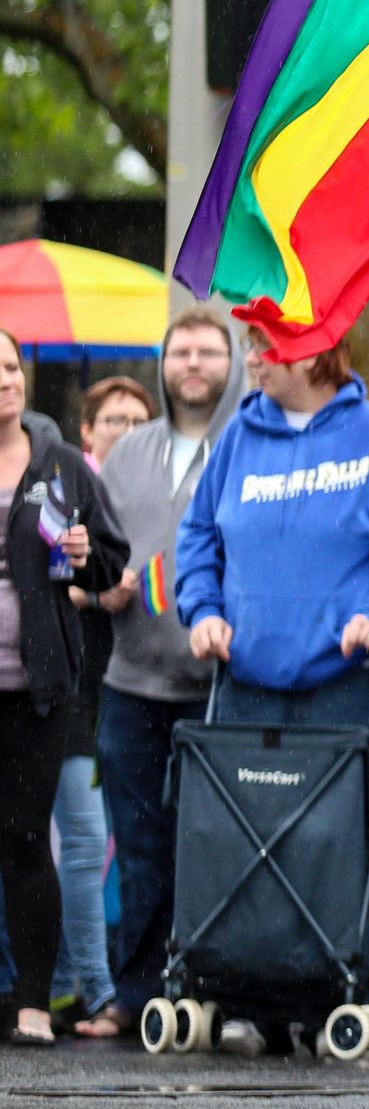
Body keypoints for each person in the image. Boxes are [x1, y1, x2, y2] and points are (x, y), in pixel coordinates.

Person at [173, 326, 369, 1024]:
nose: (251, 357)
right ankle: (242, 995)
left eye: (265, 344)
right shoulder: (237, 436)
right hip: (247, 679)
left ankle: (340, 993)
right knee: (241, 841)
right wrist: (200, 608)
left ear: (316, 351)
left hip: (345, 682)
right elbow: (197, 537)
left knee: (338, 841)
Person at [93, 307, 243, 1032]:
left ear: (231, 360)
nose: (191, 362)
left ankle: (215, 990)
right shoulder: (127, 452)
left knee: (213, 846)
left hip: (220, 684)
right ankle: (138, 994)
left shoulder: (250, 443)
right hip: (131, 681)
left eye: (207, 350)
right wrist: (99, 583)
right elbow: (95, 552)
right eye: (180, 350)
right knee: (141, 847)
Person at [0, 326, 125, 1045]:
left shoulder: (61, 466)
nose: (5, 380)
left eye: (11, 366)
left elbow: (110, 561)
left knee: (23, 840)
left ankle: (31, 1005)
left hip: (39, 687)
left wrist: (83, 554)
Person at [46, 374, 154, 1032]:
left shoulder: (150, 490)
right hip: (68, 689)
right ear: (88, 431)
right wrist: (95, 592)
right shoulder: (63, 484)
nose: (127, 433)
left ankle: (60, 980)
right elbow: (32, 581)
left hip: (128, 684)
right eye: (114, 420)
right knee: (81, 841)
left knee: (106, 845)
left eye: (139, 421)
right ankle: (95, 986)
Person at [80, 378, 153, 470]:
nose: (131, 431)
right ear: (87, 431)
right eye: (117, 421)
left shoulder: (161, 479)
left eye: (140, 423)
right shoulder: (69, 479)